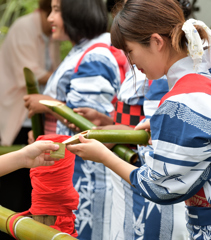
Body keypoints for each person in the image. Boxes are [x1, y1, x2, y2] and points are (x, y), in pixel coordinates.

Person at [66, 0, 211, 239]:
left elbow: (160, 187)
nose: (131, 62)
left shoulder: (179, 102)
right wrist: (159, 126)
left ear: (156, 42)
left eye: (130, 51)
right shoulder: (201, 80)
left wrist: (103, 156)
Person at [24, 0, 126, 239]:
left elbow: (88, 125)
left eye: (57, 10)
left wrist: (48, 104)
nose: (49, 17)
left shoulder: (96, 54)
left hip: (83, 178)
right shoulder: (87, 48)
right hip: (72, 173)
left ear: (77, 10)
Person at [0, 0, 61, 146]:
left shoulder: (52, 35)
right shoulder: (24, 27)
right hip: (18, 111)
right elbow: (31, 74)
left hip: (38, 111)